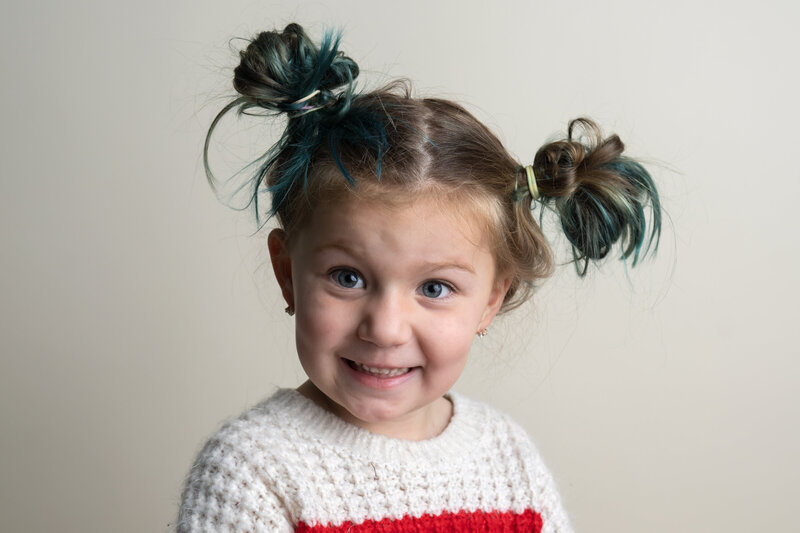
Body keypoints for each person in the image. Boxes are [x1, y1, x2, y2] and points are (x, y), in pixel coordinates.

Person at [177, 23, 661, 533]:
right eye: (347, 277)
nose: (385, 329)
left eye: (434, 288)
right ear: (287, 274)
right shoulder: (253, 472)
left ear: (492, 300)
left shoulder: (509, 459)